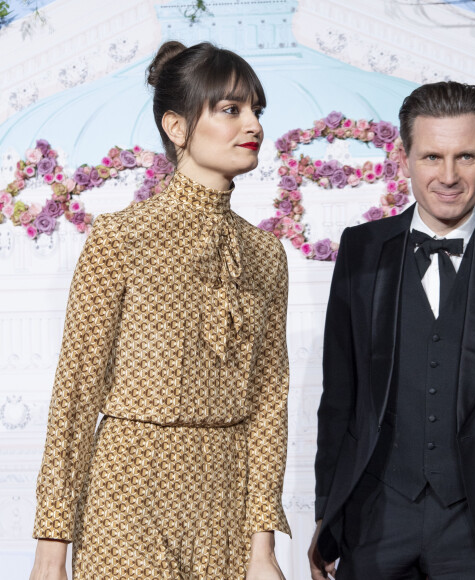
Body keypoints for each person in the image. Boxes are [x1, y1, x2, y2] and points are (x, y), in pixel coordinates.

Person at [29, 41, 290, 580]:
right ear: (176, 126)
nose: (253, 125)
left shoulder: (266, 254)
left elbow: (269, 401)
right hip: (128, 497)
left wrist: (262, 548)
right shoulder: (122, 238)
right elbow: (77, 392)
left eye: (256, 110)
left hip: (227, 504)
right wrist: (50, 554)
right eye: (230, 109)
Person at [308, 81, 475, 579]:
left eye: (466, 157)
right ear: (404, 158)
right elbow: (340, 397)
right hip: (374, 520)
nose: (449, 176)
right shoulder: (361, 249)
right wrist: (328, 512)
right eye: (432, 157)